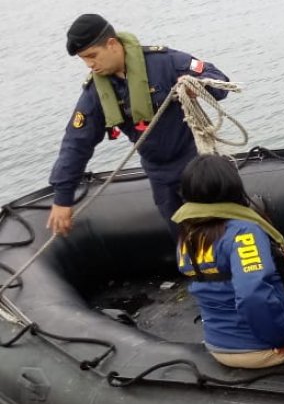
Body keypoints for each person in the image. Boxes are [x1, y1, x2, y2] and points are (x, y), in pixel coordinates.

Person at [49, 14, 230, 237]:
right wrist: (62, 198)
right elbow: (76, 143)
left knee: (220, 233)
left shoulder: (165, 62)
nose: (89, 65)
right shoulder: (97, 92)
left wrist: (198, 86)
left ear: (112, 44)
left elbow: (220, 81)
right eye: (83, 59)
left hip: (196, 164)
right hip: (159, 175)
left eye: (92, 56)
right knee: (185, 243)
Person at [172, 155, 284, 369]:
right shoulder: (243, 231)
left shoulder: (187, 235)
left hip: (218, 345)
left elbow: (218, 268)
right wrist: (281, 338)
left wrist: (272, 255)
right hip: (259, 349)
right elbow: (252, 295)